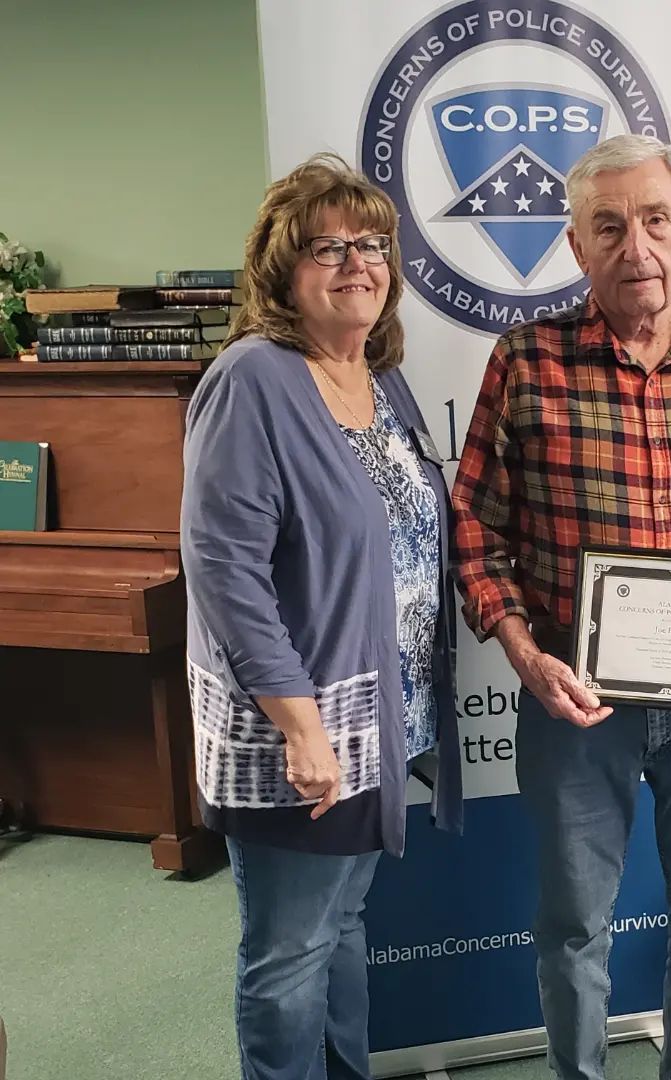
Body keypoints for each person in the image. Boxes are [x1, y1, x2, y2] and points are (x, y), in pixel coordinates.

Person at [451, 134, 671, 1080]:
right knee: (574, 922)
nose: (636, 247)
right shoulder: (526, 364)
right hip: (577, 702)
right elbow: (475, 529)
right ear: (576, 246)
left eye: (655, 221)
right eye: (608, 227)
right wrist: (525, 656)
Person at [180, 152, 462, 1080]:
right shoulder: (253, 379)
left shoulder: (380, 376)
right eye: (326, 248)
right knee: (289, 953)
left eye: (371, 244)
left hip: (379, 716)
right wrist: (301, 726)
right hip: (300, 729)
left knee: (342, 925)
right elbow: (225, 570)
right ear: (282, 271)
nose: (356, 263)